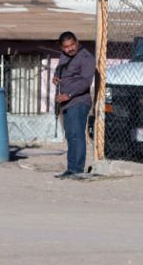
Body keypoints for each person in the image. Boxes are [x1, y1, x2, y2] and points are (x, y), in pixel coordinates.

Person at [52, 31, 95, 179]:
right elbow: (60, 69)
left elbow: (85, 82)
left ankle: (77, 169)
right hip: (66, 103)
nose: (70, 49)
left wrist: (68, 95)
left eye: (72, 45)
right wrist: (56, 77)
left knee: (76, 135)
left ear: (77, 42)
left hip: (78, 101)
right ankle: (71, 169)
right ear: (61, 47)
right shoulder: (64, 56)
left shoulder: (86, 58)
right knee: (70, 136)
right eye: (66, 47)